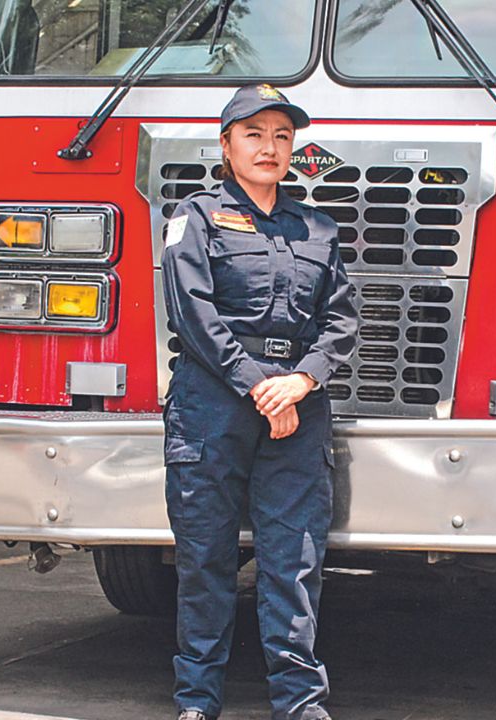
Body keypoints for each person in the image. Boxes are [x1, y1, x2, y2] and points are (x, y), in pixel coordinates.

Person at [160, 83, 358, 720]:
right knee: (205, 562)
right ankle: (196, 703)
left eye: (281, 136)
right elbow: (192, 314)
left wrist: (300, 380)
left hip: (298, 405)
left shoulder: (318, 227)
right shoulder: (193, 217)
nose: (269, 147)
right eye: (254, 134)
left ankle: (300, 705)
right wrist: (257, 383)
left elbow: (342, 320)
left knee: (293, 564)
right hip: (212, 403)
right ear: (226, 145)